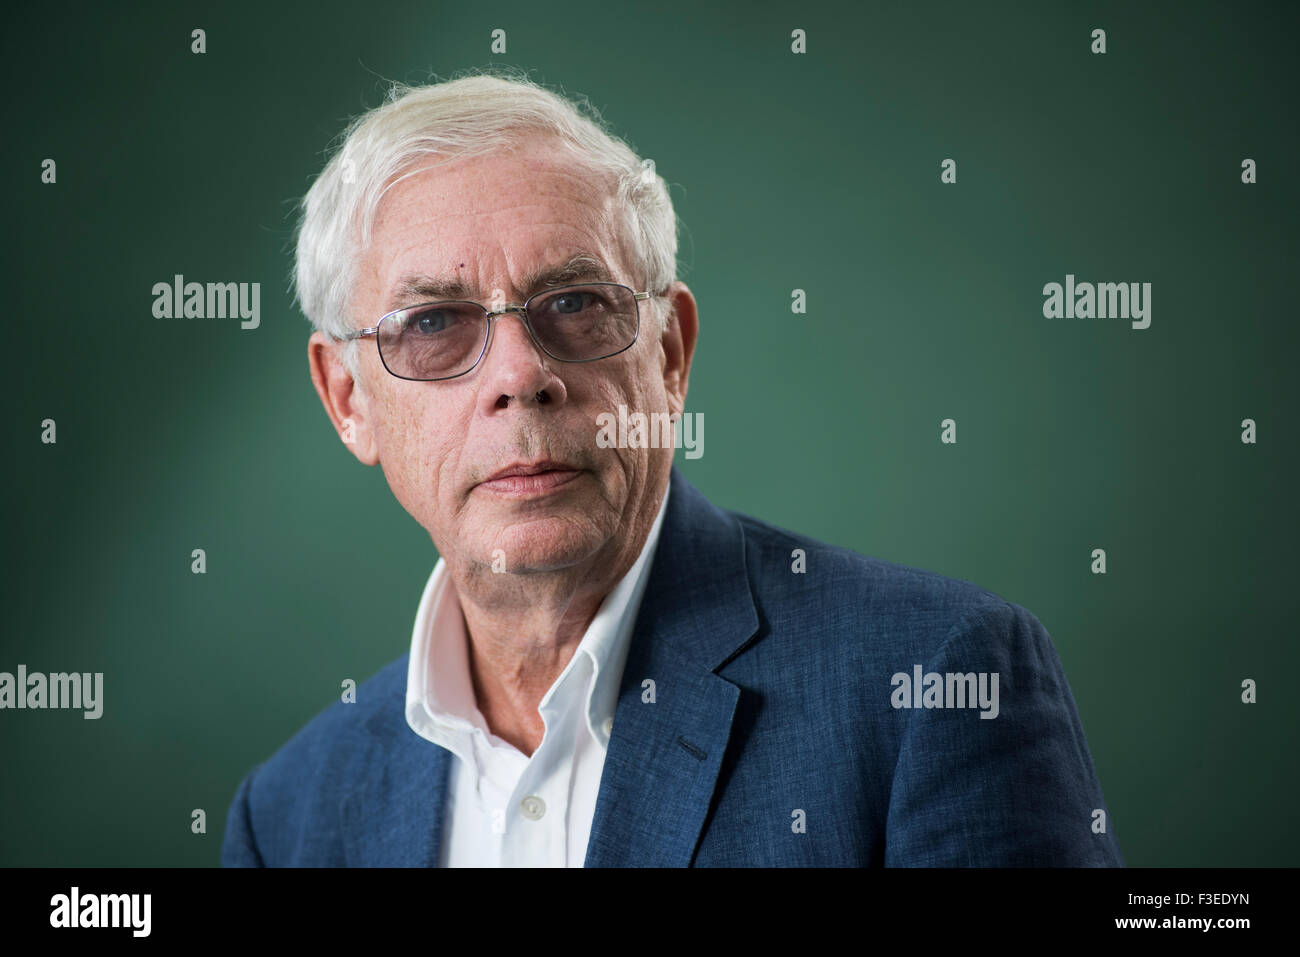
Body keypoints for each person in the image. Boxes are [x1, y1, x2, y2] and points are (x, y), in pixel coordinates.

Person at [221, 69, 1123, 867]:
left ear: (671, 355)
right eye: (433, 324)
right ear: (347, 399)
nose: (519, 375)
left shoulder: (939, 683)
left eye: (575, 302)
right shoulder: (291, 816)